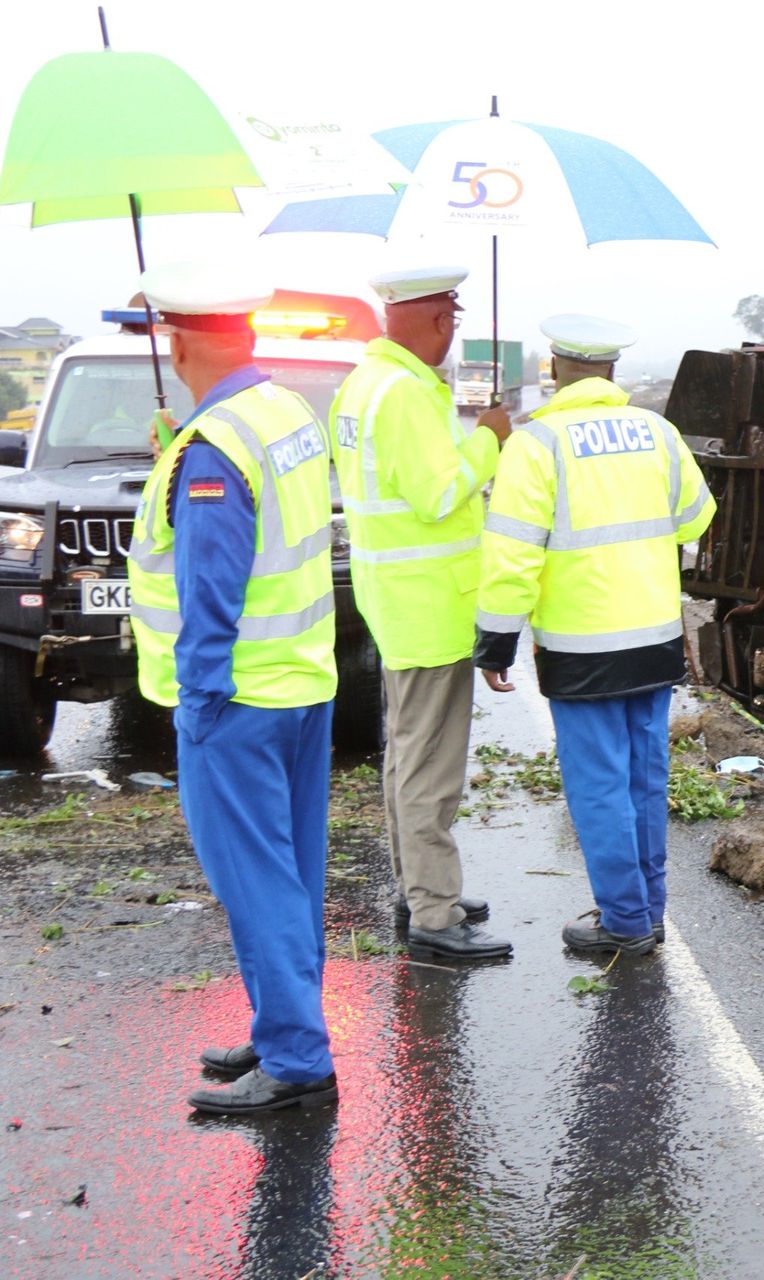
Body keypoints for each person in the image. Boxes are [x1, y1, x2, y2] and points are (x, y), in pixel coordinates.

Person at [126, 263, 339, 1114]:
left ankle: (295, 1060)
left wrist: (201, 699)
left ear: (178, 343)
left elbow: (210, 588)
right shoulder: (279, 410)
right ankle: (280, 1022)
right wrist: (181, 448)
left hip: (238, 698)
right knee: (287, 873)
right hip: (299, 686)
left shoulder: (215, 448)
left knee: (254, 880)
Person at [475, 315, 715, 955]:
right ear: (612, 372)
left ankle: (626, 922)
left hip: (582, 649)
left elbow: (512, 555)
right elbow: (697, 518)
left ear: (556, 371)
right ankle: (648, 909)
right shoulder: (659, 433)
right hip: (655, 641)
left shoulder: (537, 444)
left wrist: (496, 642)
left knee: (599, 786)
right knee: (645, 778)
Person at [330, 267, 512, 961]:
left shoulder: (363, 384)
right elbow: (440, 495)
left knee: (407, 758)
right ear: (439, 320)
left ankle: (419, 889)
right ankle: (435, 915)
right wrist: (490, 437)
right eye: (452, 322)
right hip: (429, 605)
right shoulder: (403, 393)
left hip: (399, 600)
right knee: (430, 768)